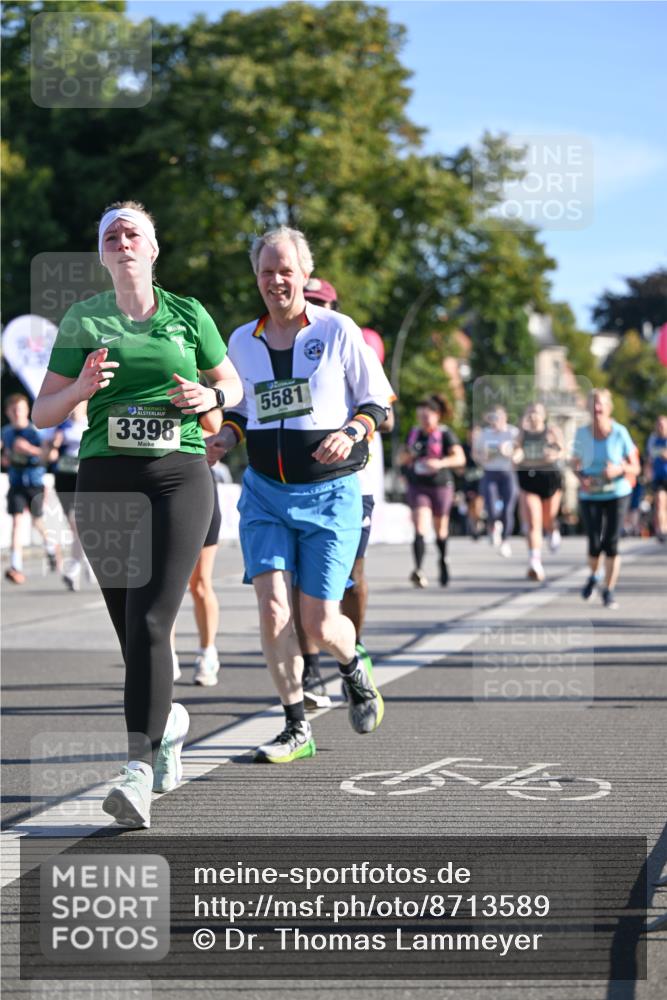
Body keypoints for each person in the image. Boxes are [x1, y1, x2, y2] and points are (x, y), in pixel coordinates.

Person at [32, 200, 242, 828]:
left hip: (179, 474)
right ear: (103, 253)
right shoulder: (83, 317)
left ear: (153, 249)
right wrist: (81, 389)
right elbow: (45, 411)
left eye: (134, 232)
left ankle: (137, 770)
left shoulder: (188, 313)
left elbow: (233, 386)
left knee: (152, 619)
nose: (122, 240)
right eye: (111, 234)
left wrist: (211, 395)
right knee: (132, 631)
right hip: (104, 479)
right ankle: (170, 720)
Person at [206, 226, 393, 762]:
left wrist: (353, 431)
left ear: (305, 276)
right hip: (264, 493)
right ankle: (295, 727)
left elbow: (377, 399)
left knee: (318, 622)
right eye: (266, 272)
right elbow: (243, 408)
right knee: (271, 609)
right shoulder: (241, 340)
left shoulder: (337, 330)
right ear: (257, 279)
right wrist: (225, 436)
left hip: (330, 494)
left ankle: (353, 664)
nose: (276, 281)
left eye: (286, 270)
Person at [295, 277, 394, 709]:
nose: (313, 307)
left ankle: (352, 648)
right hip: (303, 480)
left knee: (351, 575)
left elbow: (386, 414)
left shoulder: (349, 339)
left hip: (358, 480)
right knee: (301, 579)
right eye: (309, 299)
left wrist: (353, 420)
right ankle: (309, 670)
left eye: (320, 301)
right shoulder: (287, 349)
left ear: (333, 303)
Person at [573, 388, 640, 609]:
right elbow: (574, 463)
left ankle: (609, 590)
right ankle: (594, 575)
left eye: (600, 404)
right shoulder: (581, 434)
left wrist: (620, 469)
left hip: (616, 492)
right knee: (594, 544)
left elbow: (636, 467)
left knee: (611, 543)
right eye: (593, 404)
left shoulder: (620, 433)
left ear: (608, 408)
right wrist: (581, 477)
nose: (597, 408)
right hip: (590, 493)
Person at [400, 395, 464, 587]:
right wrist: (409, 455)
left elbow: (460, 459)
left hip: (441, 485)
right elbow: (400, 459)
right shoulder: (413, 434)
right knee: (420, 526)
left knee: (440, 529)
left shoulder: (445, 434)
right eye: (421, 417)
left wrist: (441, 462)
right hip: (418, 485)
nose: (424, 420)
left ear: (437, 416)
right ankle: (418, 570)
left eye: (427, 416)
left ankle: (443, 560)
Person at [171, 466, 223, 686]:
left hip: (196, 486)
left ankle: (207, 652)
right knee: (162, 588)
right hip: (154, 486)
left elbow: (215, 432)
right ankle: (167, 654)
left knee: (199, 584)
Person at [1, 393, 59, 583]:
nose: (17, 413)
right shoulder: (6, 432)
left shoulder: (36, 432)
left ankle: (51, 547)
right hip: (16, 483)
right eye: (13, 410)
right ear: (8, 412)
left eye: (21, 409)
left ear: (27, 411)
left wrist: (29, 449)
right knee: (17, 523)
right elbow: (6, 457)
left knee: (37, 522)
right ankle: (16, 566)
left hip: (35, 483)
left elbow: (49, 457)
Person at [515, 402, 565, 582]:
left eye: (536, 413)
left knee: (548, 519)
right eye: (530, 413)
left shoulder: (551, 431)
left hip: (549, 478)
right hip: (529, 478)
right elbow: (516, 450)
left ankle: (553, 531)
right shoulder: (522, 433)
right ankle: (534, 562)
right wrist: (515, 455)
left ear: (543, 416)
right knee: (533, 522)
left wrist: (554, 452)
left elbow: (561, 449)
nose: (533, 417)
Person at [43, 400, 89, 591]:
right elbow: (48, 458)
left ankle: (74, 569)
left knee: (78, 523)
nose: (73, 408)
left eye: (78, 404)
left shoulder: (91, 422)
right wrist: (54, 445)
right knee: (75, 525)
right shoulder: (60, 427)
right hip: (63, 478)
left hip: (84, 476)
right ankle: (84, 560)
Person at [472, 405, 520, 558]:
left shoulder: (513, 432)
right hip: (490, 473)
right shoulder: (484, 434)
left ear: (505, 417)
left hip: (508, 473)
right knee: (491, 507)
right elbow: (476, 453)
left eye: (497, 417)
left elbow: (520, 450)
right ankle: (493, 526)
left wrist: (512, 454)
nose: (495, 421)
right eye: (492, 417)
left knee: (508, 508)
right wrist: (482, 458)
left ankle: (505, 541)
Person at [645, 414, 667, 542]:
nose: (661, 427)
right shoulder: (653, 440)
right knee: (659, 502)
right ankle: (662, 531)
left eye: (663, 425)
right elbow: (649, 458)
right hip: (658, 477)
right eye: (659, 425)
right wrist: (647, 471)